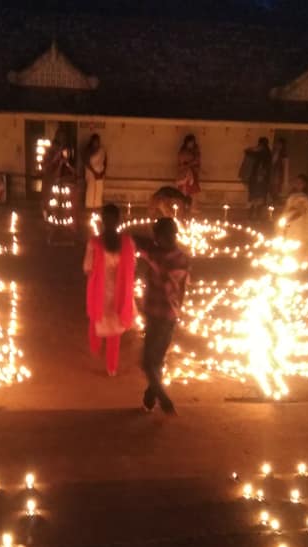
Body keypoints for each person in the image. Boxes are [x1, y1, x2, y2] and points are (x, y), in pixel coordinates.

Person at [135, 217, 190, 415]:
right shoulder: (158, 252)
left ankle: (164, 400)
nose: (157, 241)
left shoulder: (178, 259)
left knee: (147, 362)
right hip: (154, 315)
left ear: (168, 236)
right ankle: (150, 398)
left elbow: (169, 281)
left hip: (166, 317)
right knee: (155, 360)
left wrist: (151, 258)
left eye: (159, 237)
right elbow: (141, 246)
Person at [84, 204, 136, 376]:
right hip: (120, 292)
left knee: (97, 320)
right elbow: (132, 266)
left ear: (103, 221)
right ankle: (111, 368)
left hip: (100, 292)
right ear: (119, 220)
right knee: (115, 333)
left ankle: (95, 348)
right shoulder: (128, 243)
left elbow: (87, 267)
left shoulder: (95, 243)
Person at [278, 174, 308, 268]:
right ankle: (290, 259)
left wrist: (289, 219)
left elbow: (301, 211)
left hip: (298, 223)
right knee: (290, 238)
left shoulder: (304, 197)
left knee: (297, 239)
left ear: (305, 184)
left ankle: (298, 260)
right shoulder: (292, 194)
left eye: (300, 182)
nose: (297, 184)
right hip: (291, 221)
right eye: (296, 182)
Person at [242, 137, 272, 219]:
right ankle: (253, 216)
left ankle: (255, 216)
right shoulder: (262, 153)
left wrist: (261, 175)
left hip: (260, 181)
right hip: (256, 180)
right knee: (254, 198)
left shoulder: (265, 153)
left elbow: (247, 151)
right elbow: (247, 152)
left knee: (258, 199)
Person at [176, 134, 201, 211]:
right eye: (190, 143)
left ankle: (193, 208)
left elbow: (197, 161)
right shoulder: (183, 152)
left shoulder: (195, 151)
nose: (191, 144)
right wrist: (189, 164)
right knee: (184, 192)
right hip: (184, 174)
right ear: (186, 143)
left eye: (192, 143)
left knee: (194, 191)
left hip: (193, 173)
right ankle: (181, 208)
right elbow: (182, 161)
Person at [84, 133, 108, 213]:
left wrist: (102, 172)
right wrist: (94, 173)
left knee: (99, 191)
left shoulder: (102, 150)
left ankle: (98, 209)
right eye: (94, 141)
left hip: (100, 174)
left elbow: (105, 161)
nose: (96, 143)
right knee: (91, 191)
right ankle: (89, 210)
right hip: (91, 174)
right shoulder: (88, 150)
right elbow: (87, 162)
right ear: (92, 142)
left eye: (97, 141)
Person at [270, 137, 289, 205]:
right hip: (272, 175)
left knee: (276, 191)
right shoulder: (274, 153)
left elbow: (285, 168)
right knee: (272, 190)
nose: (277, 145)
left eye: (279, 144)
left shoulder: (284, 155)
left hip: (278, 176)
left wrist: (285, 181)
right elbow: (272, 162)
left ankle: (275, 203)